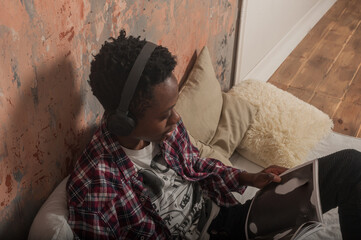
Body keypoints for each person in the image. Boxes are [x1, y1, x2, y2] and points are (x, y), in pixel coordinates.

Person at [66, 30, 361, 239]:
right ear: (124, 122)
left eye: (174, 107)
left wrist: (248, 178)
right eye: (164, 115)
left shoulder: (164, 130)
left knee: (352, 166)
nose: (177, 120)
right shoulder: (95, 187)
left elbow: (195, 166)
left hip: (229, 220)